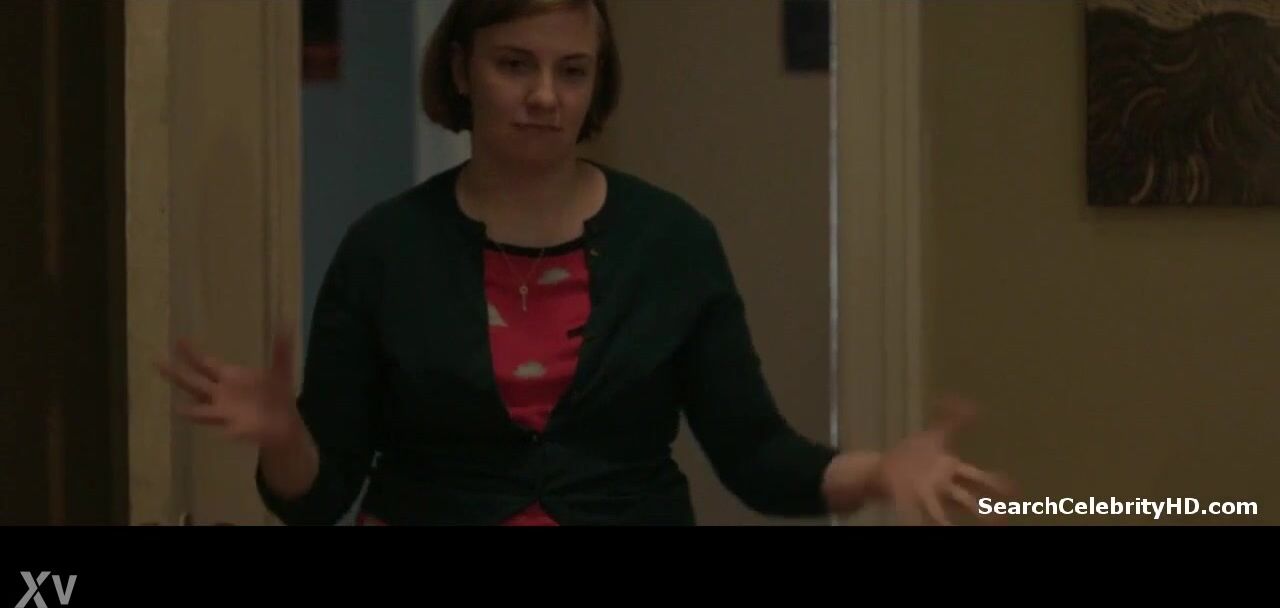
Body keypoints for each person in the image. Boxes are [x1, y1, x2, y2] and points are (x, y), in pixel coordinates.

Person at [156, 0, 1013, 526]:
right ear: (461, 68)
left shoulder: (670, 242)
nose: (544, 96)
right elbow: (314, 497)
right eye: (515, 65)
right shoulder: (386, 249)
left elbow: (755, 454)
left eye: (572, 71)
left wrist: (876, 473)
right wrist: (285, 438)